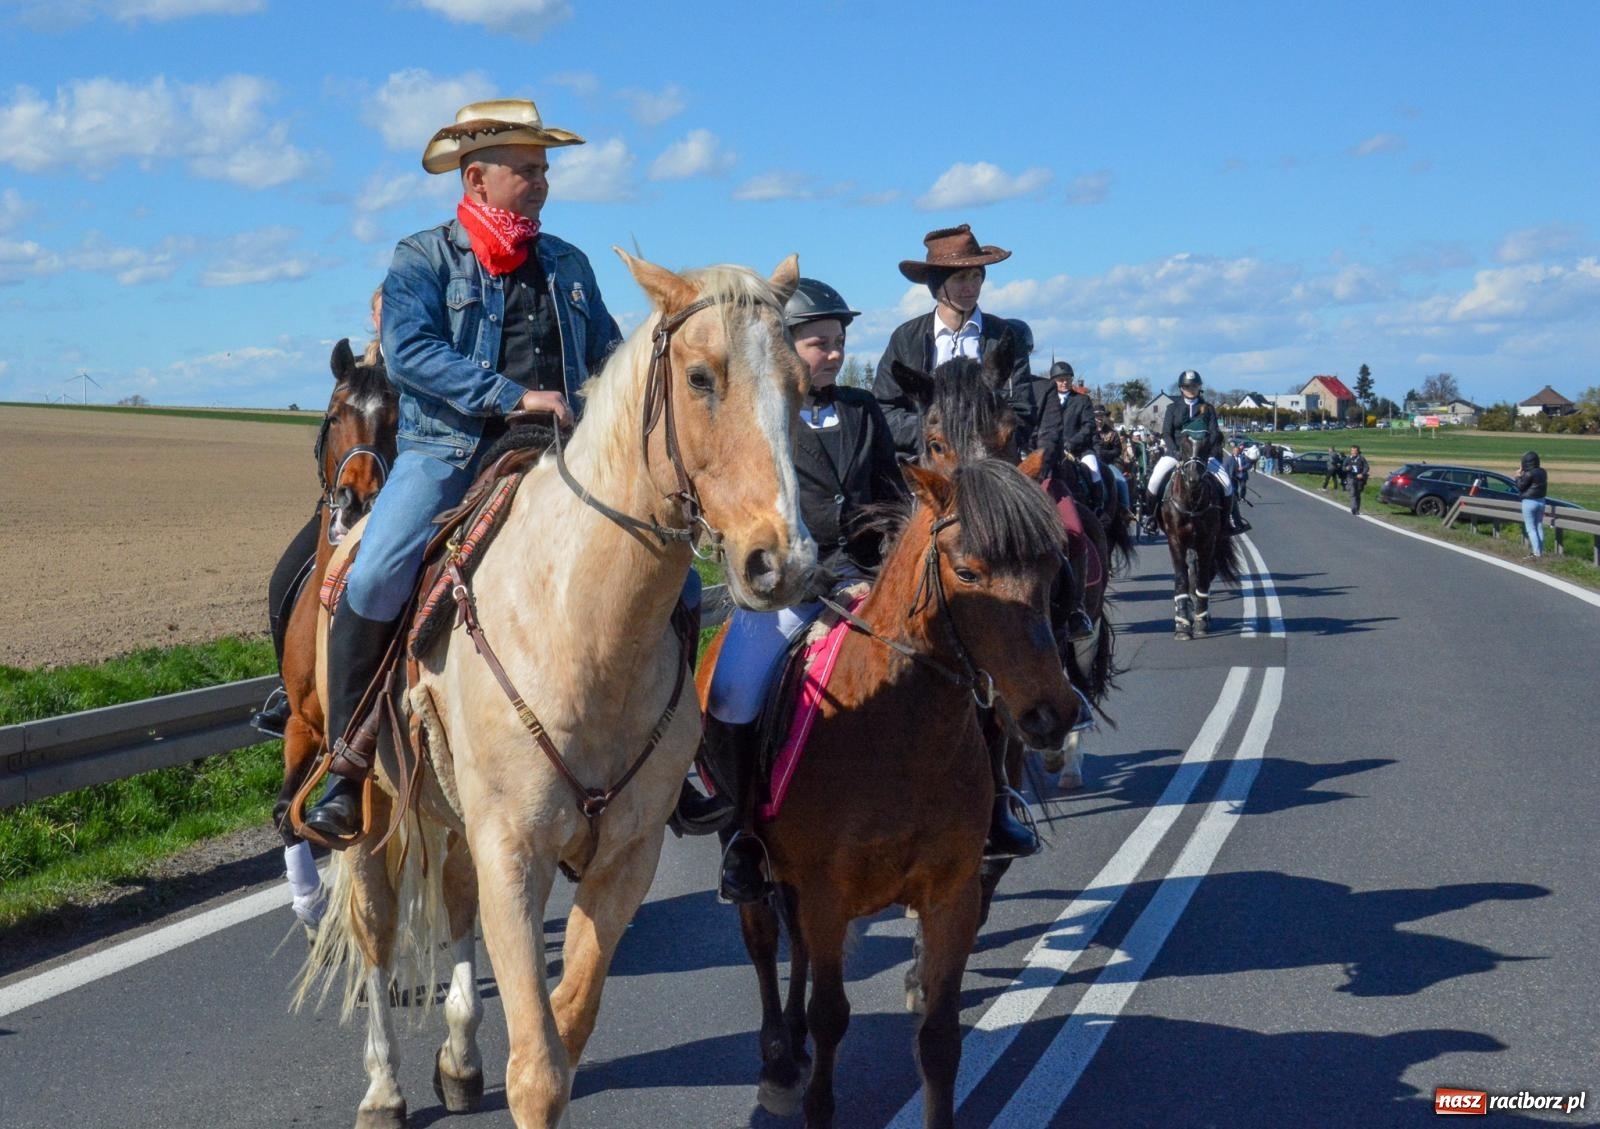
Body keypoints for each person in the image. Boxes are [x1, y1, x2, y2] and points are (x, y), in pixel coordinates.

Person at [301, 98, 625, 842]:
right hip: (448, 453)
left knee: (672, 575)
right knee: (376, 573)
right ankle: (348, 763)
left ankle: (678, 751)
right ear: (477, 179)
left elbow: (607, 353)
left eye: (544, 169)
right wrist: (511, 395)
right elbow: (411, 352)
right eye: (526, 169)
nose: (541, 182)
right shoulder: (423, 258)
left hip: (564, 453)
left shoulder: (569, 264)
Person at [704, 278, 934, 902]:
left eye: (838, 343)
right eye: (819, 344)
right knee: (730, 695)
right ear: (784, 346)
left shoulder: (862, 410)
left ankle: (987, 807)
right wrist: (824, 581)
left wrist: (883, 575)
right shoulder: (755, 415)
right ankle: (740, 835)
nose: (833, 354)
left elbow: (892, 499)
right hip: (788, 586)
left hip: (870, 581)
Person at [251, 285, 388, 739]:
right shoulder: (356, 373)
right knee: (283, 580)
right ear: (372, 317)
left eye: (395, 309)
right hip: (341, 502)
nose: (387, 319)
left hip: (392, 500)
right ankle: (289, 690)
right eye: (380, 311)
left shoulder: (416, 365)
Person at [872, 224, 1034, 457]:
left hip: (991, 460)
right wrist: (937, 434)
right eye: (960, 278)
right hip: (925, 458)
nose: (970, 287)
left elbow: (1023, 409)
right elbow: (884, 410)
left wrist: (984, 437)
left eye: (976, 276)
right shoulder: (906, 338)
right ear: (937, 285)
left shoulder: (1005, 337)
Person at [1144, 370, 1244, 531]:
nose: (1191, 389)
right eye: (1187, 386)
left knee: (1226, 484)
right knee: (1154, 480)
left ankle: (1228, 521)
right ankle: (1151, 518)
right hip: (1177, 453)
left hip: (1202, 455)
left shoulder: (1208, 408)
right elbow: (1167, 433)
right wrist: (1175, 451)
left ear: (1199, 387)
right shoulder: (1172, 408)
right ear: (1181, 388)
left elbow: (1214, 433)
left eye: (1194, 386)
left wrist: (1205, 452)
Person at [1516, 449, 1548, 555]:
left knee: (1531, 529)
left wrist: (1518, 476)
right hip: (1541, 501)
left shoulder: (1529, 473)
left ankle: (1536, 554)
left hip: (1529, 502)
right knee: (1539, 526)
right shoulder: (1543, 472)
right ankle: (1540, 551)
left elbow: (1520, 486)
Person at [1346, 445, 1370, 514]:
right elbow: (1343, 467)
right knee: (1353, 492)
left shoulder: (1361, 459)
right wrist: (1346, 468)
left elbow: (1367, 467)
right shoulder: (1348, 458)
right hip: (1351, 477)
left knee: (1358, 494)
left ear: (1358, 451)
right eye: (1352, 451)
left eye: (1355, 451)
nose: (1353, 452)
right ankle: (1353, 508)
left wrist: (1362, 474)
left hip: (1359, 479)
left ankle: (1357, 509)